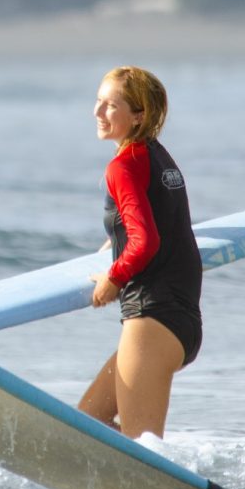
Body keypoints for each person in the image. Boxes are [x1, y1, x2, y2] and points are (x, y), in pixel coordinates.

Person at [77, 66, 203, 439]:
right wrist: (115, 238)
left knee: (143, 453)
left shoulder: (123, 165)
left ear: (139, 116)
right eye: (98, 102)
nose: (98, 113)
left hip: (151, 320)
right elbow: (164, 220)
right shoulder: (159, 156)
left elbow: (146, 242)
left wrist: (113, 279)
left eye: (111, 105)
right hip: (181, 320)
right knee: (88, 425)